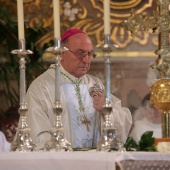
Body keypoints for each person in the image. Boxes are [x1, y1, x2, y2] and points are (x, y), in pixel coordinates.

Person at [20, 28, 132, 149]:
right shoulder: (42, 86)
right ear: (61, 53)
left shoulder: (95, 83)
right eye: (80, 53)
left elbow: (123, 121)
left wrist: (108, 112)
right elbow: (38, 134)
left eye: (90, 54)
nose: (86, 60)